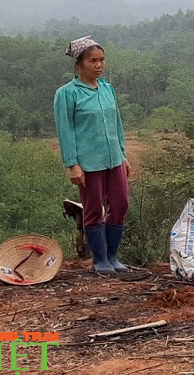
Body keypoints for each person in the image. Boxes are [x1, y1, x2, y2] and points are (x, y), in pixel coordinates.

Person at [54, 36, 132, 274]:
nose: (99, 65)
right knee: (93, 209)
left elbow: (116, 123)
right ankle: (99, 259)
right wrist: (72, 164)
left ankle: (112, 255)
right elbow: (65, 130)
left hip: (114, 159)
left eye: (102, 60)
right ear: (79, 64)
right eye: (93, 61)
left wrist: (123, 154)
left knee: (120, 204)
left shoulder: (107, 89)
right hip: (88, 162)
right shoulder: (67, 94)